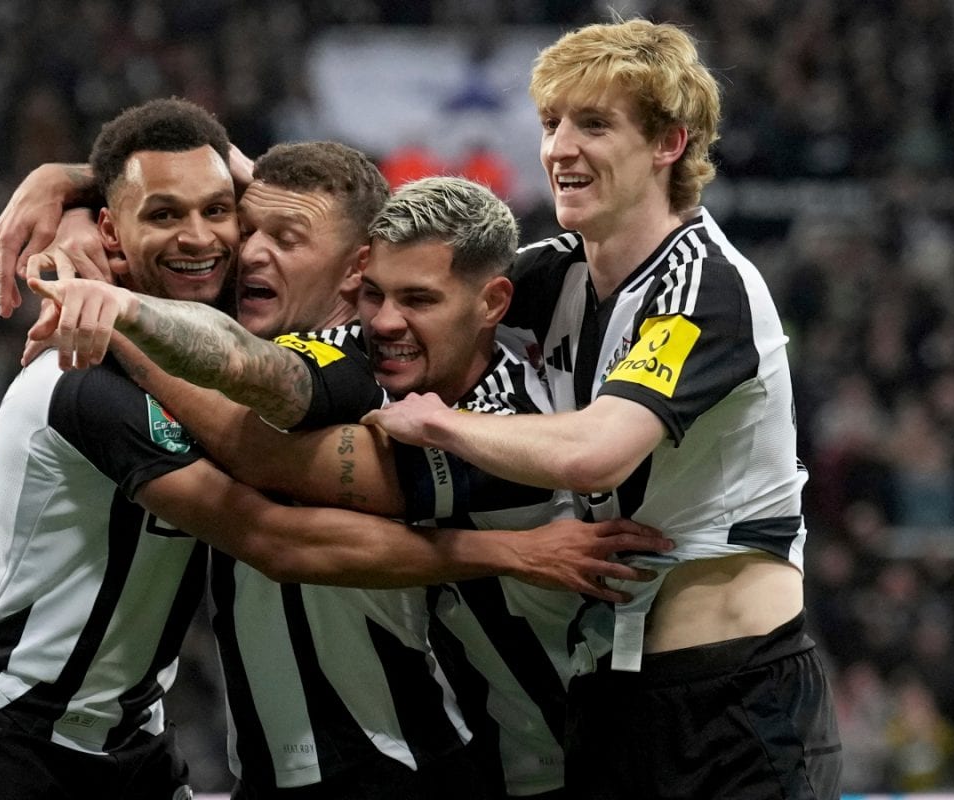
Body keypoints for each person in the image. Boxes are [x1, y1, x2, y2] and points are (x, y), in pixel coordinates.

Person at [0, 99, 610, 800]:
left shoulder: (365, 363)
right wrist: (65, 185)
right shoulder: (108, 366)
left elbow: (269, 478)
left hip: (387, 763)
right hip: (16, 730)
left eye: (283, 237)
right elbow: (192, 170)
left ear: (355, 267)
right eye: (246, 229)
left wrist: (117, 307)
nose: (242, 249)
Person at [31, 175, 671, 799]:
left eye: (418, 300)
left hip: (566, 758)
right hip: (466, 751)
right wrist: (72, 192)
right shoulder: (370, 358)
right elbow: (255, 182)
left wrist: (118, 312)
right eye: (374, 294)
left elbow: (262, 465)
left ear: (492, 304)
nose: (386, 321)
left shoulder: (508, 426)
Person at [360, 18, 844, 799]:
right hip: (606, 699)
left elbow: (596, 453)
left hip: (734, 700)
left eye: (593, 124)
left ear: (669, 144)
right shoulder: (558, 273)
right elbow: (429, 308)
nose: (559, 148)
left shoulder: (704, 285)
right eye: (551, 123)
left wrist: (437, 421)